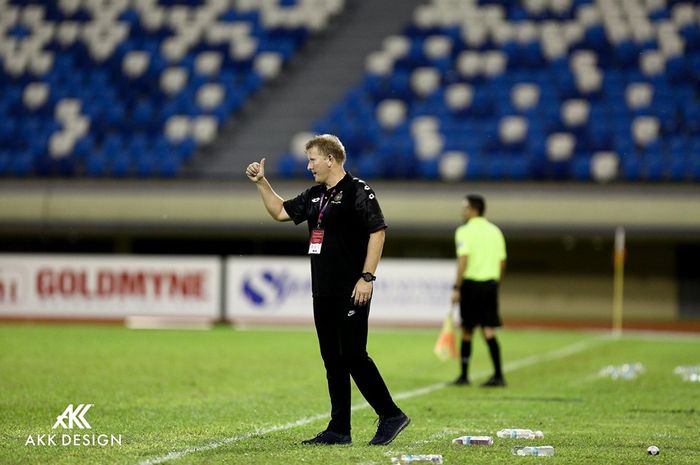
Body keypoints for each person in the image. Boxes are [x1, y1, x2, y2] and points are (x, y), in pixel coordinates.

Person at [245, 134, 410, 446]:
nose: (309, 166)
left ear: (331, 159)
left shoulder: (358, 191)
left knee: (353, 355)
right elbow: (280, 212)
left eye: (313, 160)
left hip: (352, 289)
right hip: (323, 290)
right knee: (332, 359)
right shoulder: (315, 195)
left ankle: (391, 415)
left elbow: (378, 232)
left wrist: (367, 277)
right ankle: (339, 429)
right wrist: (261, 183)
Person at [451, 194, 507, 387]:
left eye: (464, 207)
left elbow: (463, 260)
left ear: (474, 209)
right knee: (489, 329)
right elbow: (502, 261)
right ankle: (499, 375)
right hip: (490, 284)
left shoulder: (464, 231)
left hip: (471, 285)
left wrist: (457, 287)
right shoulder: (495, 231)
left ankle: (464, 376)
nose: (462, 211)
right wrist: (496, 283)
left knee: (467, 330)